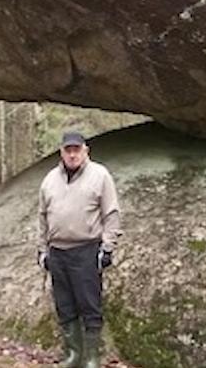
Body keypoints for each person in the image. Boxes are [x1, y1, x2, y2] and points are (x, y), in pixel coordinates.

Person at [37, 131, 121, 368]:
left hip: (86, 249)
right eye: (68, 150)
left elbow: (111, 213)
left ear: (86, 151)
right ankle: (73, 356)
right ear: (61, 152)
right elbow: (42, 217)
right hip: (58, 251)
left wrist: (107, 247)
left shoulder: (100, 175)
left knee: (89, 304)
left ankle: (92, 358)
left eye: (76, 149)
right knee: (65, 305)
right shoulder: (49, 180)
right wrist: (42, 249)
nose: (72, 154)